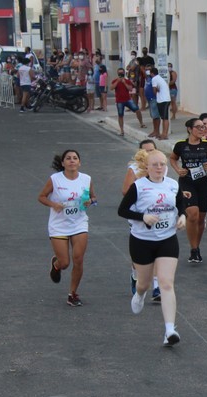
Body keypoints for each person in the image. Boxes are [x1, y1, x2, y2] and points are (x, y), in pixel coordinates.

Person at [118, 149, 187, 347]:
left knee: (166, 283)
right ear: (146, 167)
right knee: (144, 283)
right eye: (155, 164)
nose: (159, 168)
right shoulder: (138, 186)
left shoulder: (173, 184)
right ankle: (140, 294)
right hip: (142, 241)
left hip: (167, 239)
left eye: (162, 164)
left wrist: (182, 217)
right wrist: (143, 217)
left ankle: (170, 330)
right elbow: (122, 210)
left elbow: (180, 204)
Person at [37, 150, 97, 307]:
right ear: (63, 163)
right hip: (59, 225)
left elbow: (94, 197)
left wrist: (90, 201)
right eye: (68, 158)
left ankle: (72, 294)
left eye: (75, 158)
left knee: (78, 259)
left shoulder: (86, 179)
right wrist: (53, 204)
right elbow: (41, 197)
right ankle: (56, 265)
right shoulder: (55, 179)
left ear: (79, 162)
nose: (72, 161)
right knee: (65, 263)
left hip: (79, 223)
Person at [169, 118, 207, 264]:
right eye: (198, 127)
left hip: (203, 182)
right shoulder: (181, 145)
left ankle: (196, 247)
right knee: (192, 214)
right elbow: (173, 158)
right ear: (189, 129)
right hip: (187, 181)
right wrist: (177, 169)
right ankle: (193, 249)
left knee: (200, 217)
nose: (202, 129)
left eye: (203, 127)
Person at [122, 139, 161, 301]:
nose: (149, 153)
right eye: (146, 151)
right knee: (141, 252)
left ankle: (157, 287)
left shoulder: (161, 167)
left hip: (157, 214)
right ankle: (135, 273)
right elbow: (125, 191)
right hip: (138, 215)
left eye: (152, 150)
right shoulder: (134, 169)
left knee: (158, 249)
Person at [111, 67, 146, 135]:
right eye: (119, 73)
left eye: (122, 73)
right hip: (119, 101)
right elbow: (111, 88)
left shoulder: (127, 81)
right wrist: (117, 81)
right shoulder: (115, 80)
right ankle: (122, 130)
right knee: (120, 115)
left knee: (137, 110)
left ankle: (141, 123)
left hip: (128, 99)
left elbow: (130, 89)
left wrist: (124, 83)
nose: (121, 74)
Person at [151, 67, 171, 139]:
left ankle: (165, 134)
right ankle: (163, 133)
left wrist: (156, 90)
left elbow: (154, 91)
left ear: (152, 73)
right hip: (164, 99)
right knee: (163, 117)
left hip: (163, 100)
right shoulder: (159, 78)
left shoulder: (154, 79)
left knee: (165, 117)